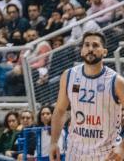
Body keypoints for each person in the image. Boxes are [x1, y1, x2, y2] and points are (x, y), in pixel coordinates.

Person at [50, 31, 124, 161]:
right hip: (75, 151)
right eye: (87, 45)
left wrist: (123, 147)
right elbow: (60, 110)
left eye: (95, 45)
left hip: (107, 153)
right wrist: (54, 142)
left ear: (105, 52)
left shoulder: (116, 81)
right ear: (81, 51)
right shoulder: (68, 76)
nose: (90, 49)